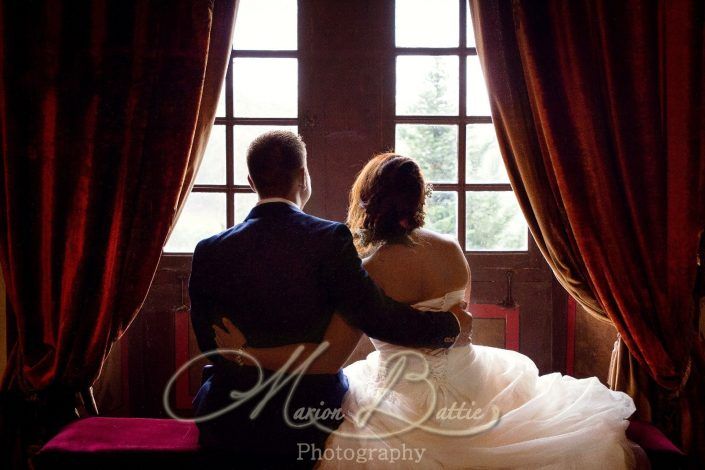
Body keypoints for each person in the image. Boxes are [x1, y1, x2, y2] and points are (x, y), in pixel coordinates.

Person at [216, 153, 638, 469]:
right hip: (471, 377)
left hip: (403, 391)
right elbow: (460, 321)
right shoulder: (451, 249)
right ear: (419, 197)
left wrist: (247, 352)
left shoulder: (371, 267)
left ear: (367, 200)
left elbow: (331, 356)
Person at [188, 132, 472, 468]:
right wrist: (448, 325)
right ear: (304, 177)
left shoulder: (209, 250)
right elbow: (377, 316)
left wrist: (246, 355)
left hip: (228, 417)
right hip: (306, 416)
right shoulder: (330, 239)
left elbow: (213, 345)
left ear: (251, 182)